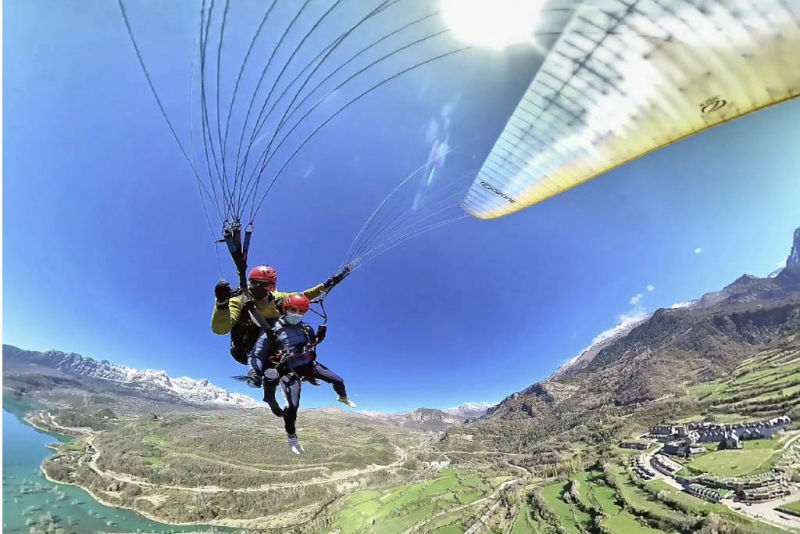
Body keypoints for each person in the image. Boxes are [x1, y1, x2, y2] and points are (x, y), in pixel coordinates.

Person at [250, 293, 355, 455]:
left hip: (309, 365)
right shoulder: (272, 332)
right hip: (288, 371)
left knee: (338, 380)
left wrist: (319, 338)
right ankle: (292, 437)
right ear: (285, 309)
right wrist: (256, 372)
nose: (297, 314)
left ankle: (342, 397)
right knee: (293, 406)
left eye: (301, 311)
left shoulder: (306, 328)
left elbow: (311, 344)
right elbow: (257, 354)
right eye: (294, 310)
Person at [211, 264, 350, 364]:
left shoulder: (278, 297)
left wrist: (327, 285)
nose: (264, 289)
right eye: (258, 284)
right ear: (251, 283)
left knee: (296, 326)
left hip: (275, 343)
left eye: (269, 285)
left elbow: (304, 295)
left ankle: (300, 362)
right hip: (249, 346)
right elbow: (220, 329)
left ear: (273, 286)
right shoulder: (239, 299)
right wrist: (222, 305)